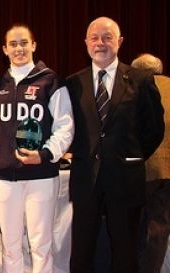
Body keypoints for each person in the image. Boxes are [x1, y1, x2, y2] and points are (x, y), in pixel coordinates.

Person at [66, 17, 165, 273]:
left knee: (126, 252)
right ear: (86, 43)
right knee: (81, 253)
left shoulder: (141, 80)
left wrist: (129, 155)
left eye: (107, 37)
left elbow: (154, 130)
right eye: (95, 38)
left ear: (119, 42)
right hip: (86, 180)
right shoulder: (73, 83)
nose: (101, 43)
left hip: (125, 180)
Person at [0, 24, 74, 273]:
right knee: (10, 245)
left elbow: (65, 126)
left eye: (24, 42)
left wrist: (45, 154)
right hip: (4, 177)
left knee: (40, 244)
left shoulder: (51, 81)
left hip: (41, 176)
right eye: (13, 44)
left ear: (34, 45)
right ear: (5, 49)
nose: (19, 48)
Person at [131, 53, 170, 273]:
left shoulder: (133, 89)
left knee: (132, 225)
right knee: (160, 226)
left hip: (139, 167)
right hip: (168, 170)